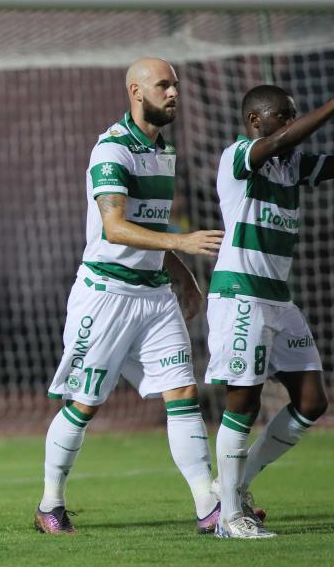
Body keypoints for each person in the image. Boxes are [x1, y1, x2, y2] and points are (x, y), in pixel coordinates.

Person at [36, 58, 225, 535]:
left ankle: (209, 506)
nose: (174, 93)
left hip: (154, 295)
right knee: (84, 404)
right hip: (106, 295)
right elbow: (115, 228)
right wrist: (183, 243)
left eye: (175, 85)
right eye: (164, 85)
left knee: (183, 393)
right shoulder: (112, 149)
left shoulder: (163, 150)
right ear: (136, 92)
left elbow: (149, 225)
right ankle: (50, 504)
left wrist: (181, 273)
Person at [206, 77, 334, 538]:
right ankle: (230, 517)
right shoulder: (238, 157)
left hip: (278, 299)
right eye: (283, 115)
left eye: (293, 114)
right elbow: (278, 142)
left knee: (312, 401)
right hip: (241, 294)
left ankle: (234, 486)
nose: (291, 121)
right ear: (255, 120)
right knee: (243, 402)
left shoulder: (291, 166)